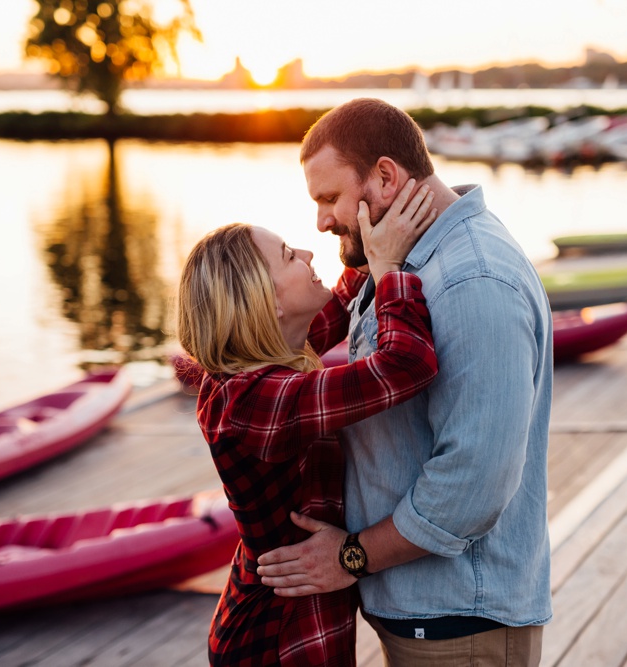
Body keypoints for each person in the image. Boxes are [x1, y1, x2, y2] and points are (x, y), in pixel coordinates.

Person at [256, 98, 554, 666]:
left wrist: (348, 556)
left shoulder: (472, 281)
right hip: (423, 615)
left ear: (386, 177)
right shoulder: (399, 259)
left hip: (459, 625)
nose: (320, 221)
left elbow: (472, 485)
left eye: (329, 199)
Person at [175, 180, 440, 666]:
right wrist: (391, 270)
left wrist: (368, 238)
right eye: (287, 256)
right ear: (266, 303)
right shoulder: (255, 401)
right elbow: (407, 365)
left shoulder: (258, 360)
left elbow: (337, 304)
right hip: (276, 635)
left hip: (293, 603)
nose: (305, 250)